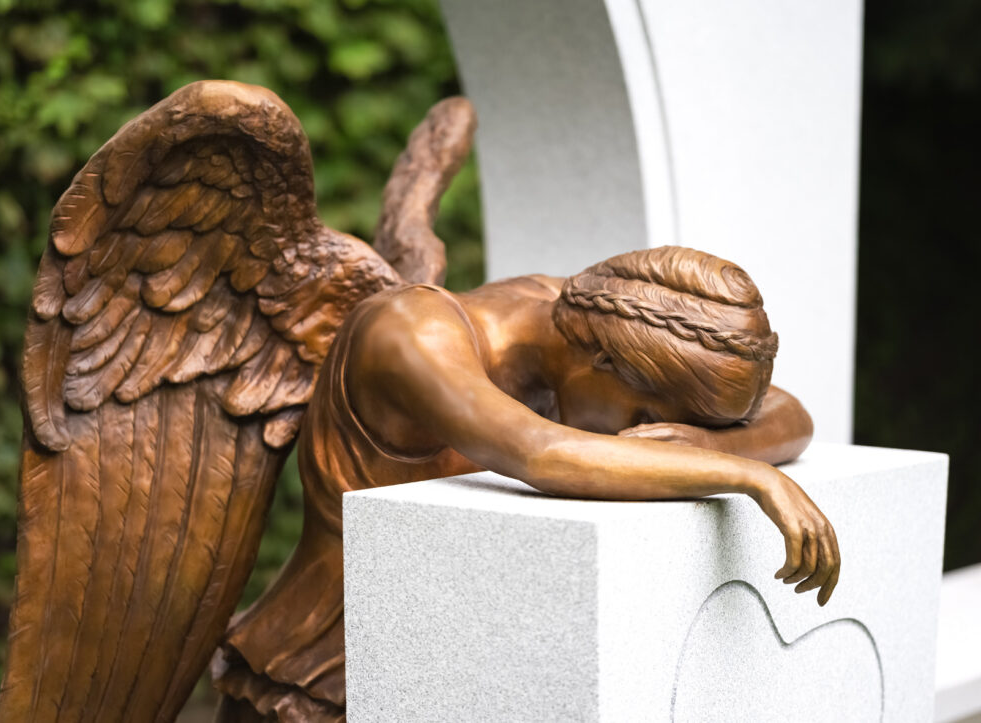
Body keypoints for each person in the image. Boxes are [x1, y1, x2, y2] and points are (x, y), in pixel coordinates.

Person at [212, 245, 838, 722]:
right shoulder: (409, 333)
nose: (641, 440)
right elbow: (540, 453)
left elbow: (791, 415)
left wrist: (700, 441)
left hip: (481, 662)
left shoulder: (592, 315)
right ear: (605, 361)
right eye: (645, 419)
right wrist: (745, 473)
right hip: (334, 672)